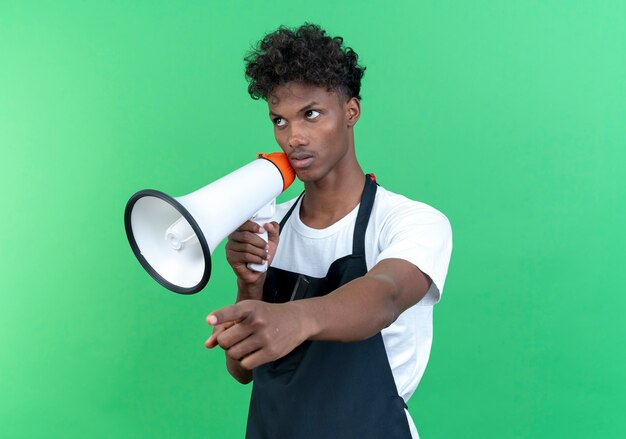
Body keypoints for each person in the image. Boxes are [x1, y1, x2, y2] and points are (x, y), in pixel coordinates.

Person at [205, 23, 452, 439]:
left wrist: (294, 318)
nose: (293, 138)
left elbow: (386, 294)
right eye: (279, 121)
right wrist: (251, 284)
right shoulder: (272, 225)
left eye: (311, 114)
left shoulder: (411, 222)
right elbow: (242, 371)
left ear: (351, 112)